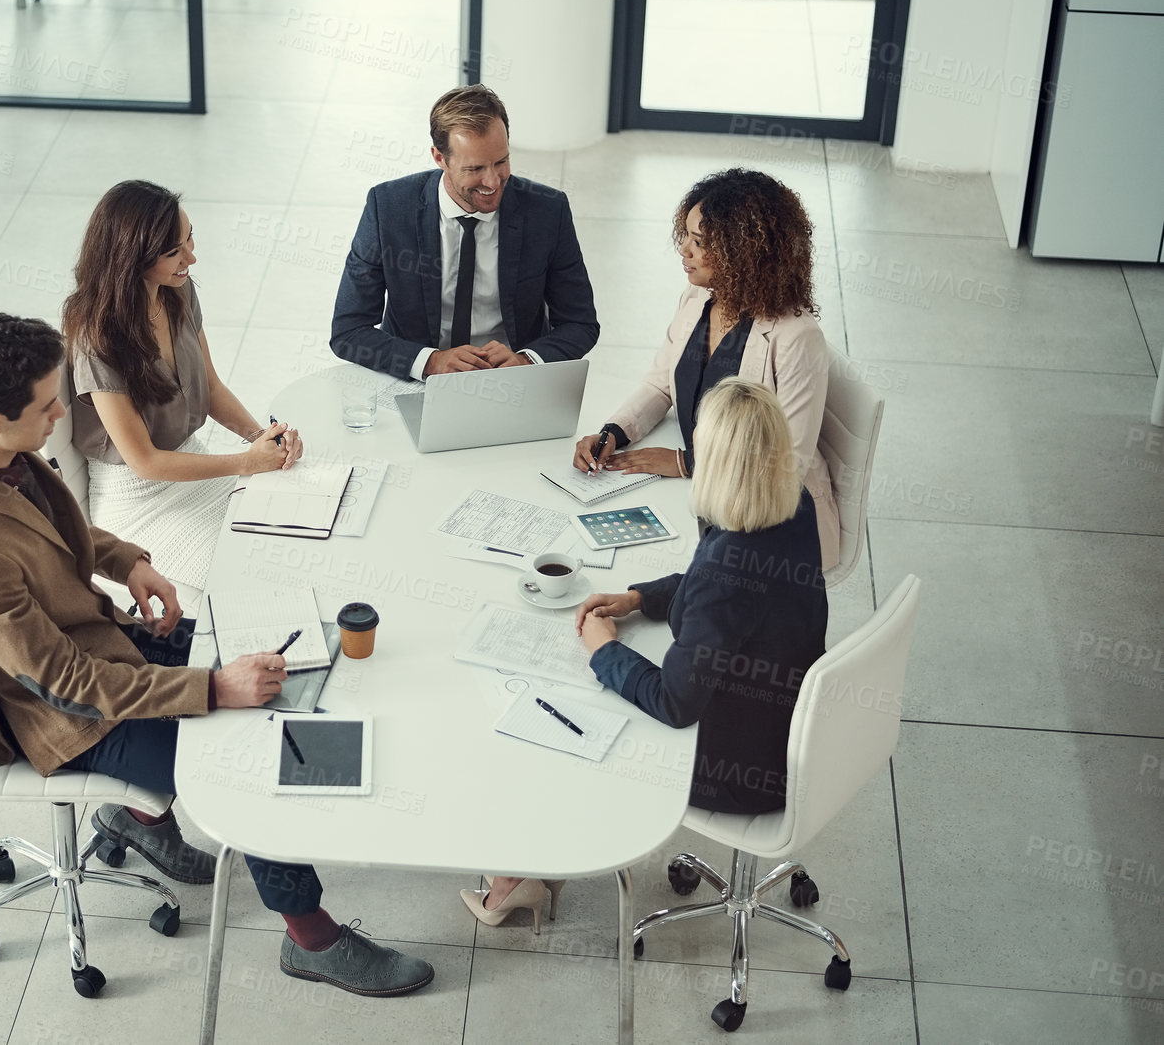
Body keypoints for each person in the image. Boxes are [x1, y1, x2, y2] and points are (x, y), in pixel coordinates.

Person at [0, 314, 434, 998]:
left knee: (268, 645)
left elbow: (52, 525)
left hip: (104, 645)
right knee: (253, 766)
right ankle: (312, 938)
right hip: (73, 717)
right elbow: (64, 683)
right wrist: (211, 689)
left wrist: (129, 561)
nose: (61, 415)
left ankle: (140, 814)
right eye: (45, 408)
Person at [466, 378, 827, 925]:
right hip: (788, 724)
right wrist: (641, 598)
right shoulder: (791, 506)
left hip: (739, 768)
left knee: (558, 709)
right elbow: (715, 585)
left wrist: (603, 651)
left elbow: (675, 702)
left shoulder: (727, 571)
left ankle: (518, 875)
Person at [574, 168, 839, 569]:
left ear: (744, 253)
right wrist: (615, 431)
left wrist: (687, 463)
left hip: (767, 518)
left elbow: (788, 461)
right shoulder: (698, 296)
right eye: (686, 235)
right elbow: (661, 382)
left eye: (699, 242)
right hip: (702, 494)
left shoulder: (796, 338)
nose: (684, 249)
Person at [62, 180, 302, 592]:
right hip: (137, 497)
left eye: (189, 237)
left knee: (288, 537)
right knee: (245, 575)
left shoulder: (176, 290)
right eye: (173, 252)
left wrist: (264, 438)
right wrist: (246, 462)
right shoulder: (97, 339)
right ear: (130, 259)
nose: (191, 256)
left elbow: (210, 387)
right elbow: (145, 462)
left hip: (191, 464)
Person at [330, 84, 599, 379]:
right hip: (417, 380)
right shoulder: (388, 208)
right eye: (475, 169)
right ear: (439, 158)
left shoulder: (548, 211)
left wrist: (526, 361)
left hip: (513, 382)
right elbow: (348, 331)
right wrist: (430, 362)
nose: (493, 181)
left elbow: (580, 323)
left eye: (501, 162)